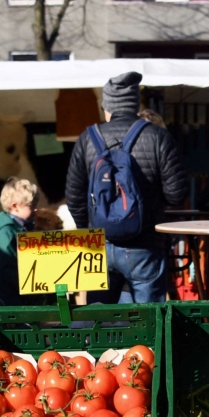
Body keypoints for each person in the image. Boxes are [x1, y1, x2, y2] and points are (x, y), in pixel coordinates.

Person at [65, 72, 187, 302]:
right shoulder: (158, 136)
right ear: (134, 104)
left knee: (99, 318)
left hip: (99, 244)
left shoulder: (87, 139)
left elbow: (73, 196)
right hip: (145, 245)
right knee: (149, 321)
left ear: (106, 106)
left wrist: (92, 229)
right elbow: (176, 194)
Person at [0, 178, 54, 306]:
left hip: (29, 298)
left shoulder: (24, 228)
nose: (36, 209)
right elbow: (7, 270)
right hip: (16, 301)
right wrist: (34, 285)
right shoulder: (6, 234)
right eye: (32, 206)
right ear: (15, 206)